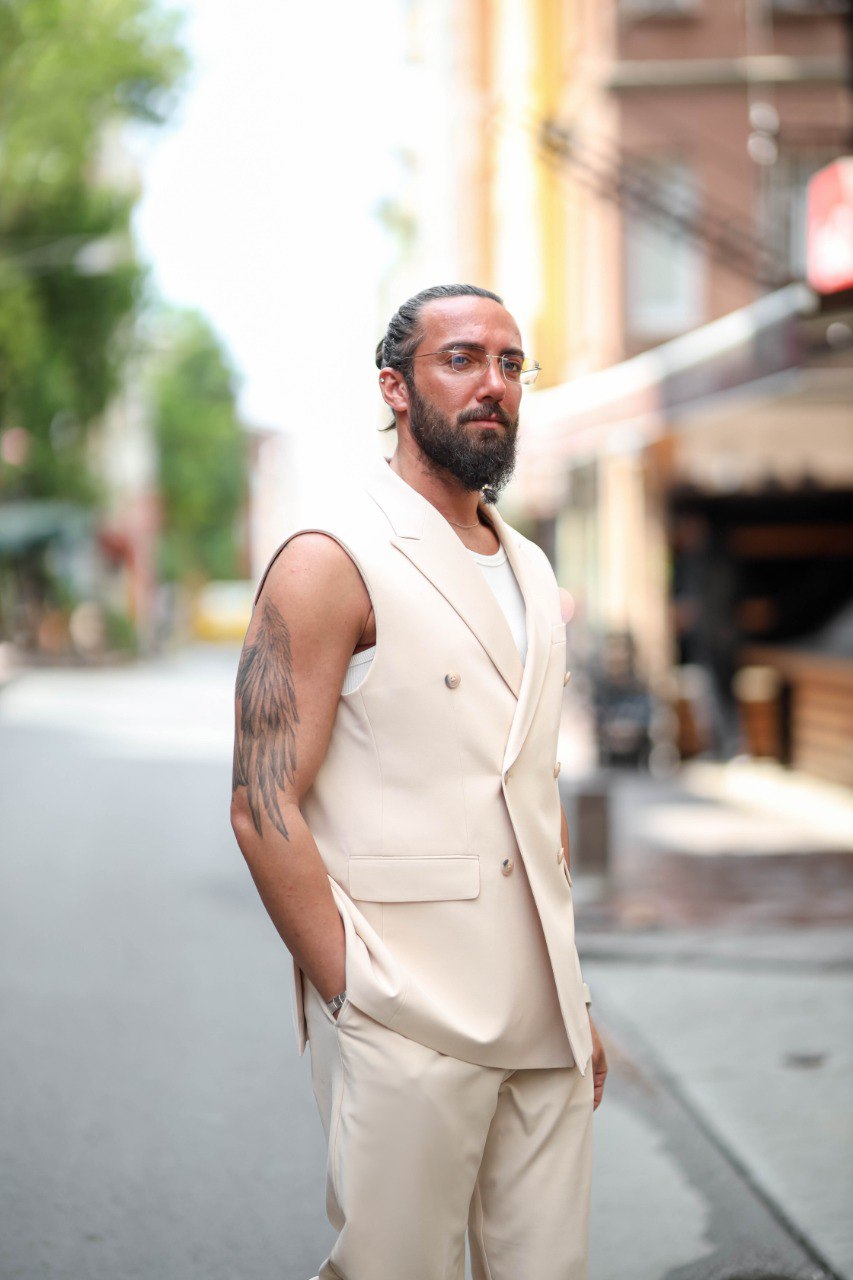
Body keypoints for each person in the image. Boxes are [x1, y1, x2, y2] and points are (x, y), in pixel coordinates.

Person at [230, 283, 608, 1280]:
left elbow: (533, 791)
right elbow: (260, 803)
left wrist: (577, 1000)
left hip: (543, 1018)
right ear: (395, 386)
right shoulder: (328, 558)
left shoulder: (531, 569)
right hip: (407, 1008)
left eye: (512, 363)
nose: (493, 383)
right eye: (463, 358)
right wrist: (354, 991)